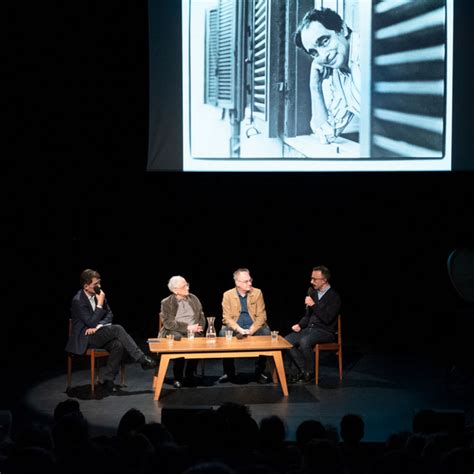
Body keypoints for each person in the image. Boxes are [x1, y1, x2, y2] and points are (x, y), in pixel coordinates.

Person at [65, 268, 156, 394]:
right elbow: (89, 322)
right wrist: (100, 304)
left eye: (99, 282)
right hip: (85, 337)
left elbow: (109, 315)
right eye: (95, 284)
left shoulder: (98, 295)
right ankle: (141, 358)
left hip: (96, 333)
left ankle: (108, 380)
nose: (99, 286)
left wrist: (98, 326)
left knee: (117, 345)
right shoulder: (78, 300)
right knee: (117, 329)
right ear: (86, 286)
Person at [295, 7, 360, 144]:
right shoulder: (339, 75)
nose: (323, 56)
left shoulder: (368, 51)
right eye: (314, 53)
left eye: (324, 41)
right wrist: (315, 86)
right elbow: (326, 134)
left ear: (342, 29)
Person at [285, 265, 341, 383]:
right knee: (286, 341)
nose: (311, 282)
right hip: (309, 329)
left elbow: (327, 319)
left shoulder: (334, 297)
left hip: (325, 331)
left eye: (315, 279)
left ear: (324, 280)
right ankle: (302, 371)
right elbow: (308, 316)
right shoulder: (313, 294)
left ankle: (310, 372)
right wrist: (300, 325)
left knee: (304, 341)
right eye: (311, 278)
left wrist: (314, 305)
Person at [219, 268, 271, 384]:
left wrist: (252, 330)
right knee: (223, 334)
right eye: (246, 281)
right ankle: (229, 372)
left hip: (253, 326)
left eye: (250, 280)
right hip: (236, 327)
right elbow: (226, 318)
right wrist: (239, 329)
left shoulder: (257, 293)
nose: (250, 283)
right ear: (237, 283)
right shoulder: (227, 295)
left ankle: (259, 371)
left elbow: (262, 316)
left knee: (266, 332)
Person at [158, 275, 205, 388]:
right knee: (178, 339)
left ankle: (189, 375)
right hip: (174, 331)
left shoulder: (194, 298)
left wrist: (199, 327)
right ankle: (178, 377)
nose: (187, 288)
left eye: (187, 285)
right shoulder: (166, 302)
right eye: (184, 286)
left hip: (194, 330)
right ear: (175, 290)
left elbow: (201, 316)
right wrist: (188, 327)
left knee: (198, 340)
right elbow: (169, 323)